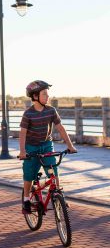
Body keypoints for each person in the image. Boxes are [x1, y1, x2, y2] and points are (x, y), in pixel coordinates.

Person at [19, 80, 77, 214]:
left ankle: (57, 196)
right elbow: (22, 133)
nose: (47, 96)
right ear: (35, 96)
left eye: (47, 94)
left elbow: (61, 128)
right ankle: (26, 199)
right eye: (44, 94)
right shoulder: (28, 114)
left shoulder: (51, 110)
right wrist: (22, 151)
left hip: (46, 145)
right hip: (31, 147)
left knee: (53, 171)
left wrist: (70, 146)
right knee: (28, 175)